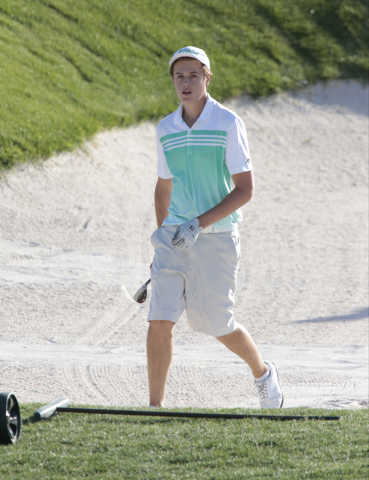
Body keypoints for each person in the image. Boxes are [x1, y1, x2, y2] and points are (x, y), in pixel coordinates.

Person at [147, 46, 283, 409]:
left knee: (215, 323)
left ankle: (264, 374)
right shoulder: (166, 128)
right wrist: (165, 237)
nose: (186, 82)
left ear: (207, 78)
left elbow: (245, 189)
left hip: (217, 238)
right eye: (180, 76)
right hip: (174, 238)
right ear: (173, 81)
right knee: (159, 319)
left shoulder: (227, 123)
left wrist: (199, 223)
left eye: (194, 75)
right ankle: (154, 407)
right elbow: (164, 187)